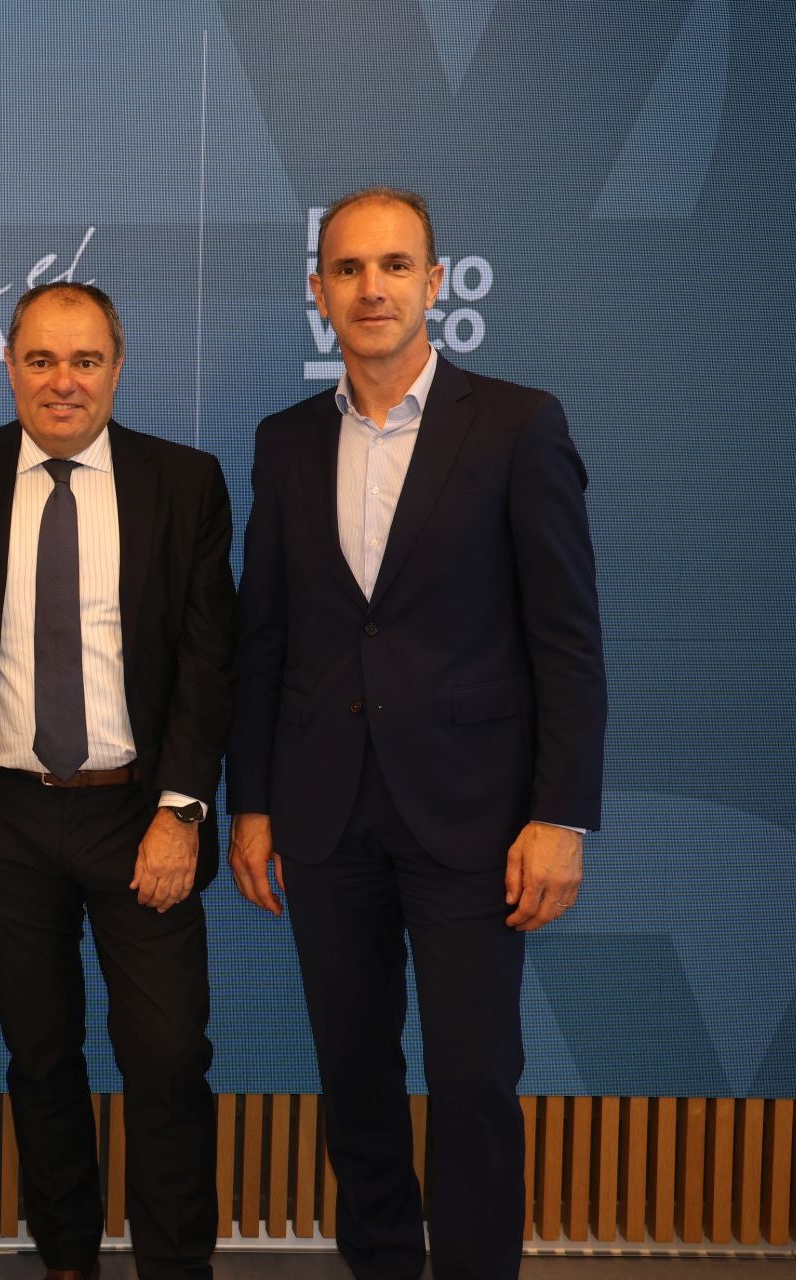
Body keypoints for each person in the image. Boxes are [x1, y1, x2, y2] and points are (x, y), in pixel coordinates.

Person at [228, 187, 607, 1279]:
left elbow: (568, 642)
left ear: (437, 283)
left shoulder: (518, 423)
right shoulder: (285, 440)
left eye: (396, 266)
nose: (372, 288)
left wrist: (560, 815)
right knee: (353, 1072)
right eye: (348, 269)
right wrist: (250, 799)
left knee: (475, 1073)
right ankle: (383, 1262)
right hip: (325, 810)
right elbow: (266, 636)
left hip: (476, 817)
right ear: (319, 293)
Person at [0, 283, 236, 1279]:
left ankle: (174, 1263)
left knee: (168, 1061)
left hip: (139, 813)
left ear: (117, 368)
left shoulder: (183, 482)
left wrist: (182, 809)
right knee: (41, 1059)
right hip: (2, 816)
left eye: (84, 360)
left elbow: (207, 659)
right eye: (42, 360)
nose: (63, 381)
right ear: (8, 364)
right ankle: (66, 1259)